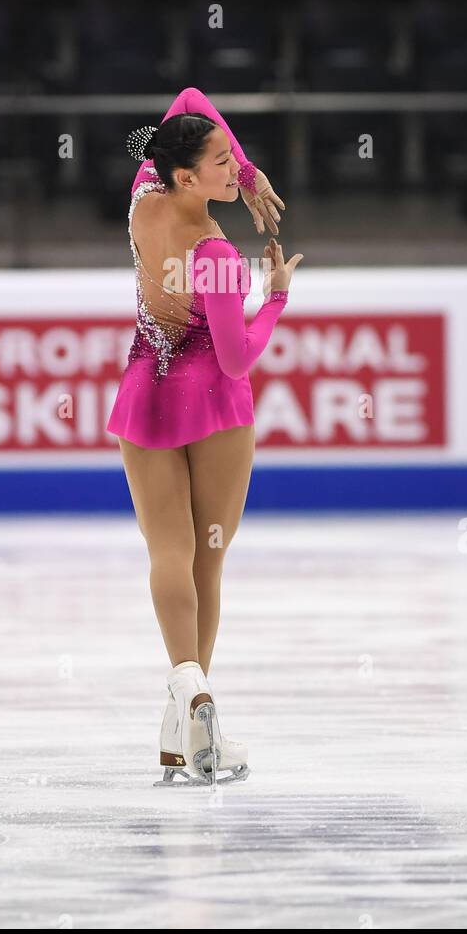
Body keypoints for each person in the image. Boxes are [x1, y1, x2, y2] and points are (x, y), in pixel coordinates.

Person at [105, 87, 303, 785]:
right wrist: (275, 296)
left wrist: (245, 172)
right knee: (207, 559)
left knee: (168, 550)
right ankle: (194, 703)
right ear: (186, 175)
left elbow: (187, 102)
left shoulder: (142, 202)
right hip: (213, 407)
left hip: (143, 396)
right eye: (221, 162)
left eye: (231, 160)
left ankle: (185, 704)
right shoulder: (214, 251)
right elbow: (236, 358)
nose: (232, 169)